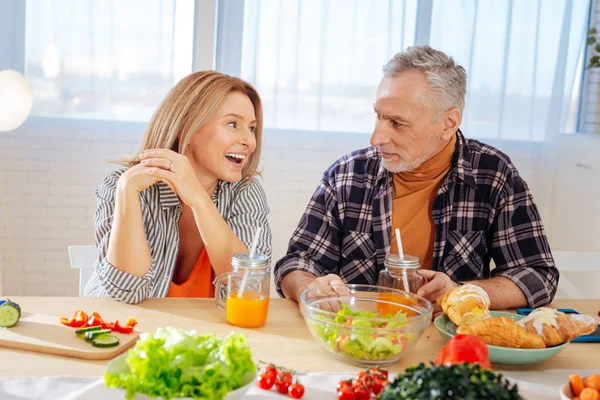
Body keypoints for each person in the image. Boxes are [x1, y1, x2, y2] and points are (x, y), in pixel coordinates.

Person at [274, 45, 558, 315]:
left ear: (448, 123)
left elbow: (538, 275)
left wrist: (461, 293)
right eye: (378, 116)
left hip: (450, 346)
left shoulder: (493, 174)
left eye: (397, 122)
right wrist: (309, 288)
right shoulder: (346, 176)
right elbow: (296, 263)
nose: (376, 138)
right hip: (358, 336)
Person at [85, 71, 272, 304]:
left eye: (252, 128)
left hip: (203, 336)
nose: (250, 142)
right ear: (188, 128)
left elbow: (250, 290)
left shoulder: (245, 191)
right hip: (126, 330)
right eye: (233, 124)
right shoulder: (123, 185)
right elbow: (125, 293)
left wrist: (198, 199)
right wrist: (126, 191)